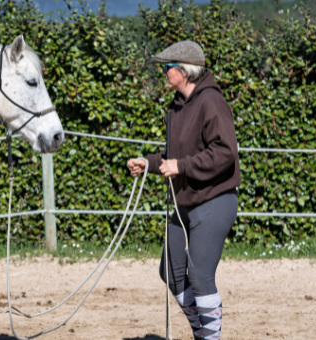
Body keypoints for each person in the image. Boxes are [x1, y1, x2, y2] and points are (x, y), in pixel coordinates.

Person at [127, 41, 240, 340]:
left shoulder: (212, 102)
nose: (163, 72)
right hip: (184, 201)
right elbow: (173, 154)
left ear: (184, 71)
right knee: (172, 272)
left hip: (215, 199)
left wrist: (182, 167)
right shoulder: (176, 106)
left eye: (167, 67)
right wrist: (148, 163)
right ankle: (202, 333)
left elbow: (226, 152)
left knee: (201, 278)